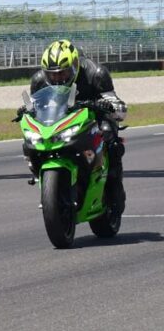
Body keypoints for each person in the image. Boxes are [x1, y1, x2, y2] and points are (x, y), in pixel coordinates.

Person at [21, 39, 127, 211]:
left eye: (63, 73)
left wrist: (110, 106)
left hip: (94, 116)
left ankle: (114, 189)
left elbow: (116, 104)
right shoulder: (39, 80)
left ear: (75, 65)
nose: (58, 78)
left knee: (110, 137)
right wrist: (26, 111)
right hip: (60, 119)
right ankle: (42, 177)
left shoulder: (96, 73)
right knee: (30, 139)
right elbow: (36, 107)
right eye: (52, 74)